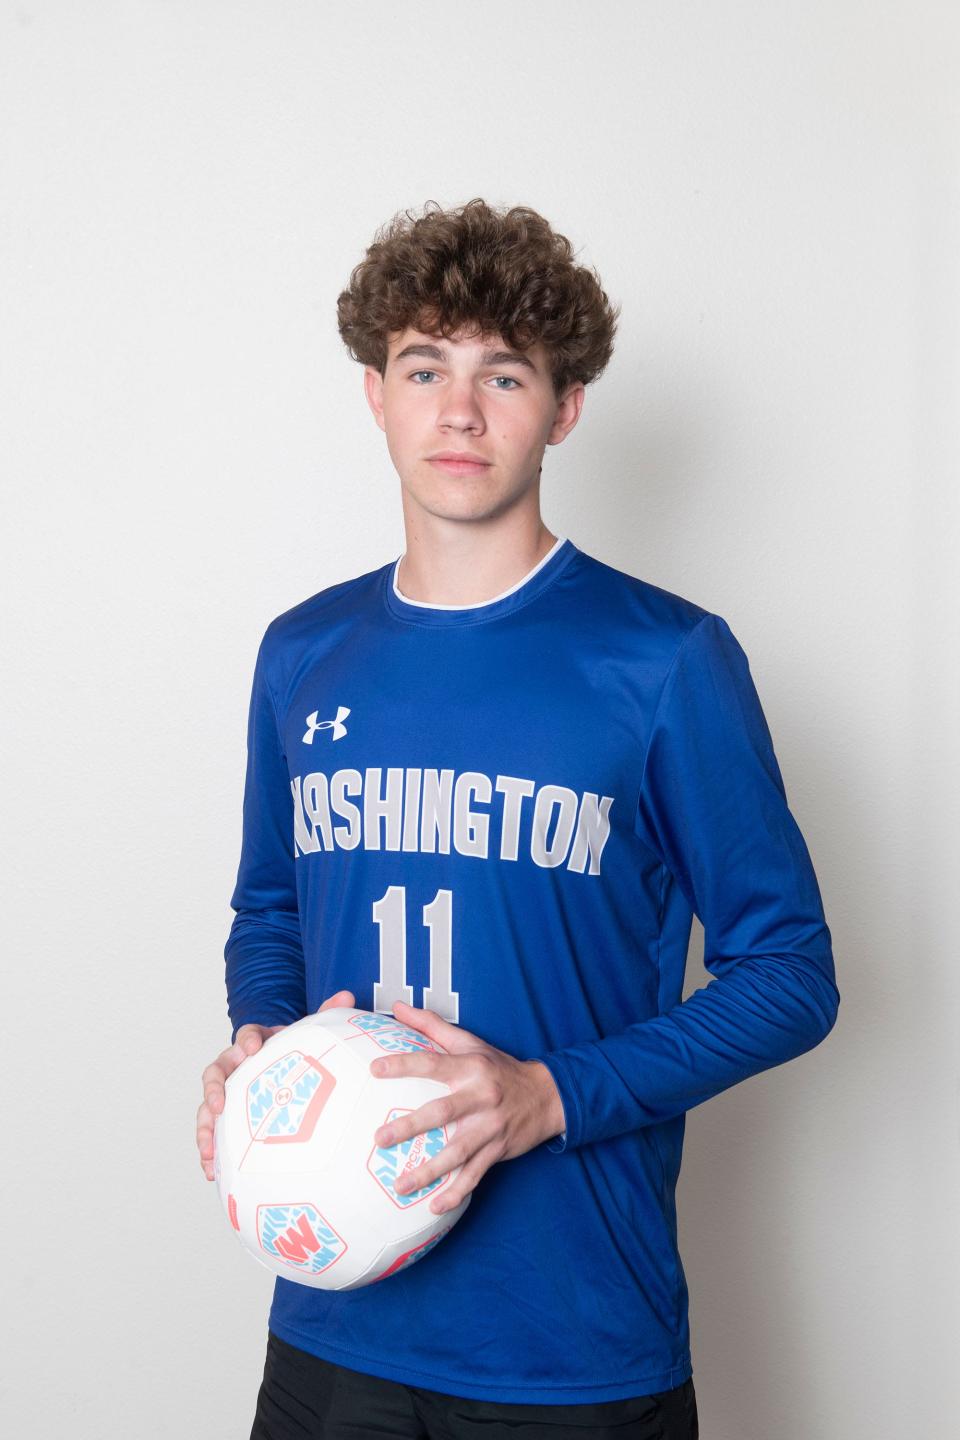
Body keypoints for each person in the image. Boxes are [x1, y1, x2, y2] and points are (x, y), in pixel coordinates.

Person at [196, 197, 840, 1439]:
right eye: (424, 366)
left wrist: (552, 1095)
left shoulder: (665, 662)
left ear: (566, 407)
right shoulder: (303, 654)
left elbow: (793, 975)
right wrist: (262, 1045)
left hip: (571, 1344)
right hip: (333, 1311)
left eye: (505, 373)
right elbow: (269, 908)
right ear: (374, 393)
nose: (459, 409)